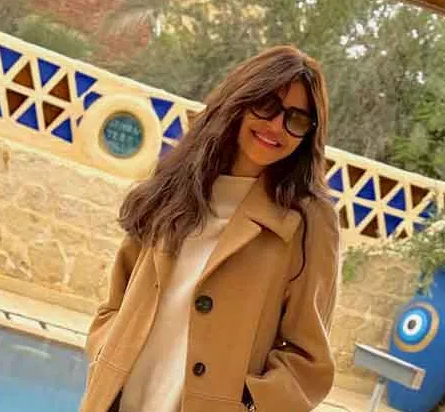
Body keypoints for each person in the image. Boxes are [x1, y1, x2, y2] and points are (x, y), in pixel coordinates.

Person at [80, 45, 340, 412]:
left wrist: (248, 405)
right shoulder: (176, 182)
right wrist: (106, 349)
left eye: (296, 119)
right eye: (267, 105)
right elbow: (117, 300)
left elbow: (308, 362)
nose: (276, 126)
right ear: (240, 100)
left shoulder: (310, 220)